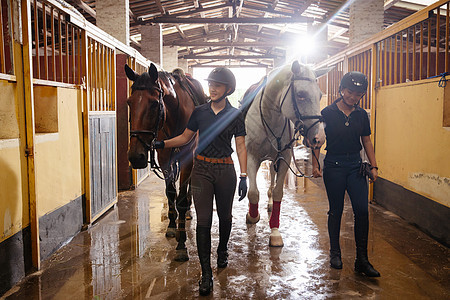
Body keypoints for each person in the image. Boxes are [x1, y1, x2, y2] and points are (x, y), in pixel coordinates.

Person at [153, 67, 248, 295]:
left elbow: (241, 146)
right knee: (203, 220)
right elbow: (186, 138)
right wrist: (162, 144)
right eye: (211, 84)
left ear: (228, 89)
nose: (212, 89)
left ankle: (222, 249)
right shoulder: (199, 112)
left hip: (226, 170)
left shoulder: (236, 114)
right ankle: (206, 273)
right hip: (202, 169)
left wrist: (244, 176)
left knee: (225, 216)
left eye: (217, 85)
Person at [312, 71, 380, 277]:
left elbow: (366, 141)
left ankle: (362, 260)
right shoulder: (327, 113)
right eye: (350, 92)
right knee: (336, 210)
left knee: (362, 211)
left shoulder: (361, 115)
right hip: (334, 165)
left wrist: (374, 166)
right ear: (342, 90)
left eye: (358, 94)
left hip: (355, 166)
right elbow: (317, 140)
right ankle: (335, 253)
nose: (353, 97)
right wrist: (315, 164)